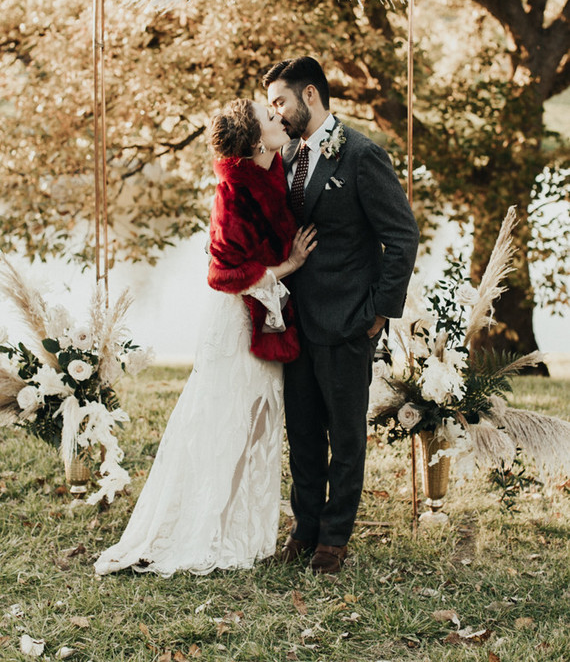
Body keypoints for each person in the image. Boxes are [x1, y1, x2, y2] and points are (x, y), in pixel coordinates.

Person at [94, 99, 316, 576]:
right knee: (224, 424)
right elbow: (221, 274)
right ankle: (200, 530)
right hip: (237, 324)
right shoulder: (233, 194)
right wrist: (288, 267)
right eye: (268, 116)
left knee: (256, 426)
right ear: (256, 139)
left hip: (265, 316)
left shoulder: (274, 168)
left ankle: (239, 530)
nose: (279, 117)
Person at [264, 56, 419, 574]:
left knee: (345, 436)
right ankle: (304, 529)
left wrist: (379, 311)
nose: (276, 113)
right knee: (302, 432)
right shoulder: (283, 157)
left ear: (310, 96)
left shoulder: (361, 155)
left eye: (280, 101)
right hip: (293, 323)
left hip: (349, 320)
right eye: (271, 106)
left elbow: (401, 236)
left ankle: (334, 539)